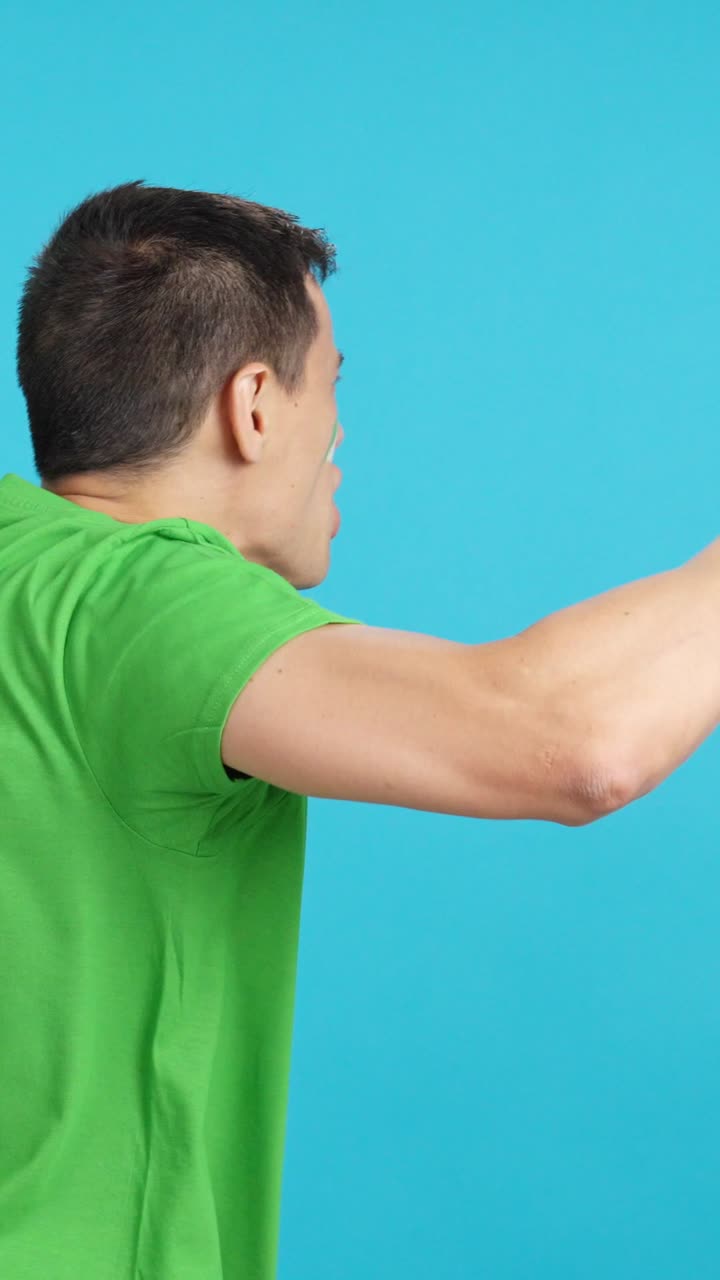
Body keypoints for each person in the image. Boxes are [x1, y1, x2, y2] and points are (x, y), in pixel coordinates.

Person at [0, 180, 718, 1280]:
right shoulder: (144, 600)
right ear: (254, 406)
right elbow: (576, 739)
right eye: (330, 386)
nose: (339, 433)